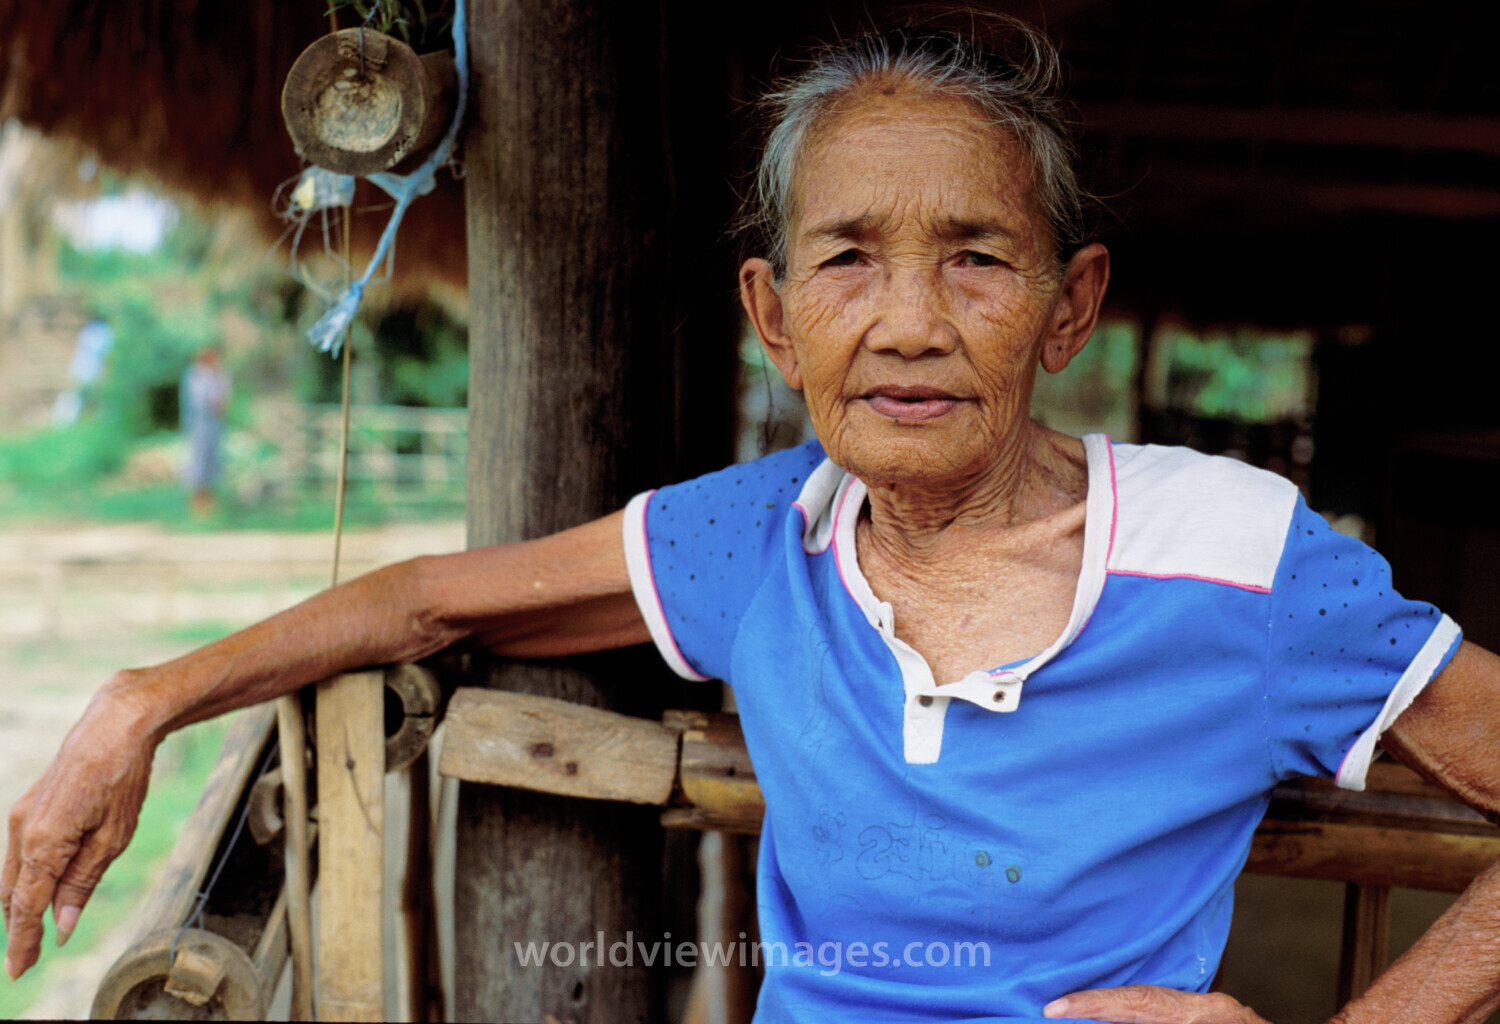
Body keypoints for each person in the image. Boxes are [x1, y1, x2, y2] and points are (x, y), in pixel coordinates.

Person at [5, 19, 1499, 1024]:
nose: (910, 323)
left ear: (1070, 309)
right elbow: (431, 604)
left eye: (978, 259)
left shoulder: (1236, 559)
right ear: (774, 322)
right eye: (849, 260)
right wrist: (147, 697)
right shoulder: (763, 538)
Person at [180, 344, 230, 513]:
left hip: (214, 424)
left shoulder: (218, 375)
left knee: (212, 460)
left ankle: (208, 498)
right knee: (199, 459)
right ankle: (197, 499)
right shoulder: (197, 375)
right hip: (200, 423)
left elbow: (224, 400)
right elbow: (204, 402)